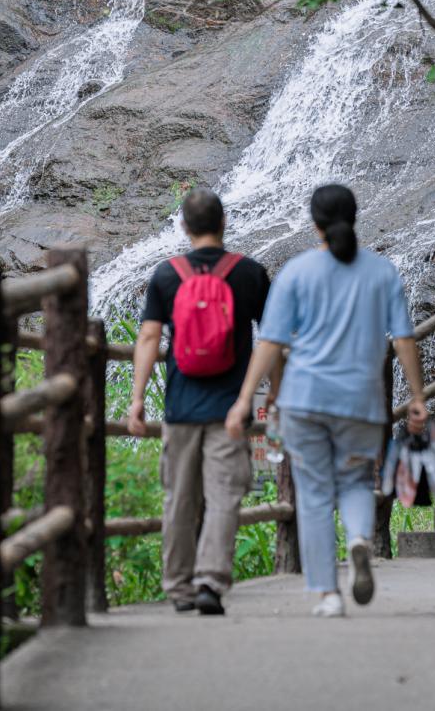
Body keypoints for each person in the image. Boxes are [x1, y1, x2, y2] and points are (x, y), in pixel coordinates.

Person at [225, 183, 427, 618]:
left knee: (314, 493)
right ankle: (358, 538)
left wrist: (245, 399)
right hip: (360, 401)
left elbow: (271, 342)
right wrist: (417, 396)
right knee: (355, 482)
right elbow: (405, 339)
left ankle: (328, 595)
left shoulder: (297, 272)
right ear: (354, 217)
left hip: (305, 399)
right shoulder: (382, 272)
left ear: (315, 223)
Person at [128, 188, 271, 615]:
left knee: (179, 498)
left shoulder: (166, 275)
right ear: (223, 223)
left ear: (184, 228)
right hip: (231, 410)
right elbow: (274, 340)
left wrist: (137, 399)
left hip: (181, 407)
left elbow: (150, 338)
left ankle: (178, 587)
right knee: (225, 496)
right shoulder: (249, 274)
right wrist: (272, 393)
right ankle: (211, 581)